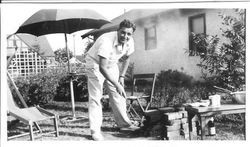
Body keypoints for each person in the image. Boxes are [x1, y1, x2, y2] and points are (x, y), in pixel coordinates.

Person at [85, 19, 138, 141]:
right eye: (123, 32)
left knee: (118, 95)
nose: (125, 36)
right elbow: (102, 68)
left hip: (111, 64)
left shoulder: (130, 41)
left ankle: (124, 125)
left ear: (132, 34)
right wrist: (116, 84)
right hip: (95, 64)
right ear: (118, 31)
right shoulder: (106, 40)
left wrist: (122, 77)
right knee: (95, 98)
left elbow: (127, 58)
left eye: (129, 34)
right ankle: (95, 131)